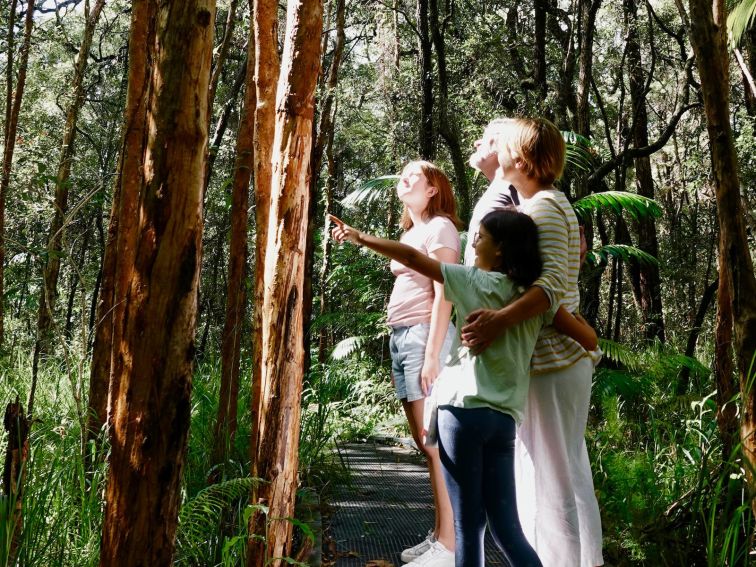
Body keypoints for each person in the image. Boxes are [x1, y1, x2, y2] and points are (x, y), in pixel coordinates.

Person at [331, 208, 554, 566]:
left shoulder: (471, 281)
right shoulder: (533, 299)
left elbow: (411, 257)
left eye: (481, 236)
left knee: (468, 526)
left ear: (500, 250)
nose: (474, 242)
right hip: (504, 420)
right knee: (506, 529)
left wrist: (361, 238)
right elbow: (582, 333)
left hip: (462, 413)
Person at [460, 117, 604, 567]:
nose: (495, 147)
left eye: (502, 144)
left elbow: (545, 291)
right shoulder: (543, 204)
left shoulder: (542, 208)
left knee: (552, 476)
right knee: (564, 470)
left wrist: (497, 322)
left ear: (520, 160)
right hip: (555, 359)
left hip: (554, 360)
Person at [367, 161, 461, 565]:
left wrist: (431, 354)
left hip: (426, 336)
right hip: (402, 335)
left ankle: (450, 545)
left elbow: (447, 290)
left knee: (437, 443)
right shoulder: (411, 231)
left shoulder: (440, 228)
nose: (402, 181)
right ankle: (439, 534)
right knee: (427, 445)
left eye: (412, 177)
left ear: (433, 188)